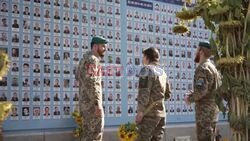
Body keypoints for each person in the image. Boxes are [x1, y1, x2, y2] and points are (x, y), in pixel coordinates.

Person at [184, 41, 221, 141]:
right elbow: (209, 89)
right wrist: (194, 92)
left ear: (201, 51)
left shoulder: (202, 68)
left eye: (197, 49)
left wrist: (189, 99)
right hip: (212, 111)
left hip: (204, 114)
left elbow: (201, 91)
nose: (195, 52)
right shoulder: (213, 67)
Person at [135, 47, 171, 141]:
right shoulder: (162, 72)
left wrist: (140, 111)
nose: (142, 59)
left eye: (143, 56)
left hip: (149, 115)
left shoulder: (146, 70)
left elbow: (144, 93)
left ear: (147, 57)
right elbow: (168, 94)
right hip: (161, 115)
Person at [75, 36, 107, 141]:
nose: (105, 49)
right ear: (95, 46)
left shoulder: (84, 59)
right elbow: (92, 82)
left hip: (85, 104)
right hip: (92, 107)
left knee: (87, 135)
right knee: (95, 135)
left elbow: (78, 77)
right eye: (103, 46)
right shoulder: (93, 60)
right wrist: (97, 104)